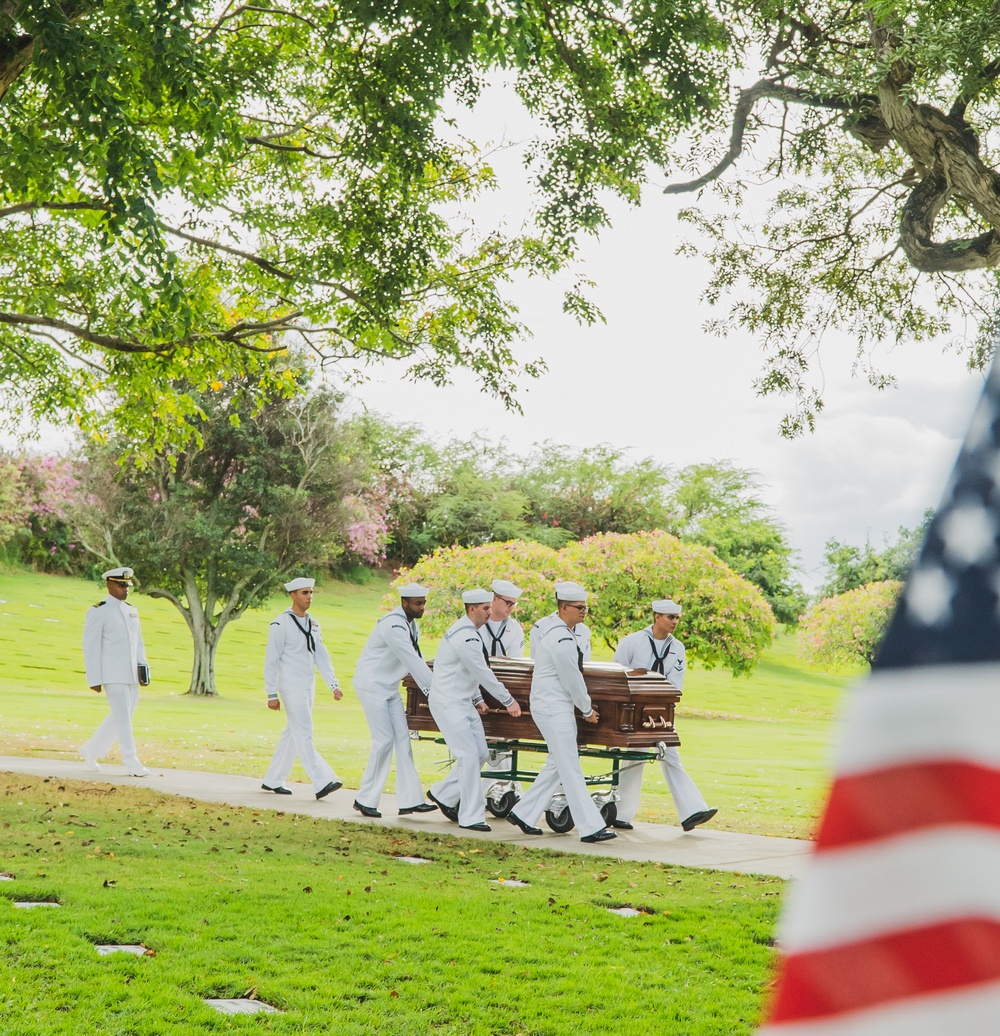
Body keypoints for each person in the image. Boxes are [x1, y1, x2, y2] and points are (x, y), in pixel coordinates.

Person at [507, 583, 616, 843]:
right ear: (564, 607)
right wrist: (587, 709)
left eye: (586, 607)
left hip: (550, 704)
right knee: (570, 767)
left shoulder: (550, 627)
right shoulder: (562, 637)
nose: (584, 612)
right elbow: (572, 679)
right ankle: (590, 827)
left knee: (558, 763)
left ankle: (523, 813)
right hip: (555, 707)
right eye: (580, 608)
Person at [612, 599, 717, 832]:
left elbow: (676, 683)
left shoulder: (677, 647)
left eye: (677, 618)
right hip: (633, 711)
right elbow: (617, 675)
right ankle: (622, 814)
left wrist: (664, 702)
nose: (675, 622)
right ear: (657, 616)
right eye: (671, 617)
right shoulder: (632, 642)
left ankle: (691, 811)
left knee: (672, 756)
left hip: (660, 712)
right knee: (634, 759)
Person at [426, 588, 522, 831]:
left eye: (490, 607)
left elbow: (467, 671)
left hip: (463, 701)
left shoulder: (469, 631)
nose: (490, 612)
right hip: (449, 702)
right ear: (472, 609)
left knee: (480, 753)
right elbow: (482, 672)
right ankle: (471, 816)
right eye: (485, 608)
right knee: (468, 756)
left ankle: (443, 793)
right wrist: (508, 700)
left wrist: (478, 699)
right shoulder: (466, 636)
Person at [351, 582, 439, 819]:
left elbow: (418, 658)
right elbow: (411, 660)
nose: (422, 608)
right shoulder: (393, 625)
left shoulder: (410, 625)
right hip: (371, 685)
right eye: (418, 604)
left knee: (402, 740)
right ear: (404, 603)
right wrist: (437, 693)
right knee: (384, 740)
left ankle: (411, 800)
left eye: (423, 603)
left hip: (388, 687)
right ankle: (365, 799)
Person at [261, 577, 343, 800]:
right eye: (305, 592)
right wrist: (271, 693)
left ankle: (273, 779)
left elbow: (321, 656)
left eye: (311, 592)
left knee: (293, 732)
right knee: (304, 730)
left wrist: (333, 685)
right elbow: (271, 660)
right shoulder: (280, 624)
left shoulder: (314, 624)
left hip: (308, 686)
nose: (309, 597)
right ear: (293, 595)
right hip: (289, 686)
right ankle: (322, 779)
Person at [80, 566, 151, 777]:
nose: (125, 589)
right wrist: (94, 678)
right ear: (109, 585)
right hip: (112, 674)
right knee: (123, 719)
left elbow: (138, 643)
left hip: (130, 674)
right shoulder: (98, 611)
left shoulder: (131, 610)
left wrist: (143, 668)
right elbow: (90, 646)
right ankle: (131, 761)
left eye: (127, 585)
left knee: (123, 716)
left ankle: (90, 749)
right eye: (121, 585)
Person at [480, 579, 525, 657]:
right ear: (494, 598)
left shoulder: (514, 627)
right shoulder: (475, 623)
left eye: (514, 604)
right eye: (508, 603)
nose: (511, 608)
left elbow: (515, 660)